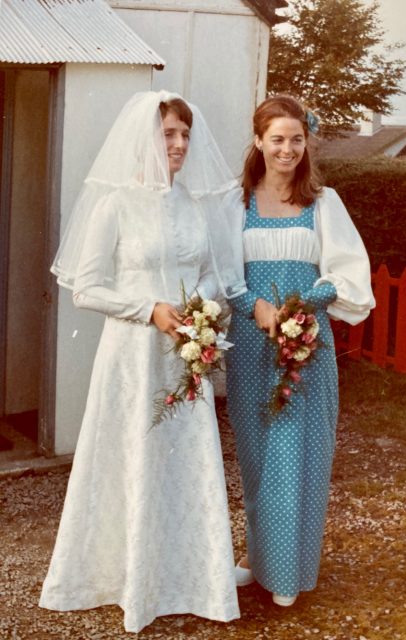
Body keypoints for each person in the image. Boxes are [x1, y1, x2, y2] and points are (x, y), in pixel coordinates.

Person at [39, 91, 240, 632]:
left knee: (183, 460)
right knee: (130, 456)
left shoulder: (193, 205)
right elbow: (86, 288)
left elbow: (208, 272)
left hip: (182, 357)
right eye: (167, 134)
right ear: (144, 139)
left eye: (184, 135)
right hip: (131, 357)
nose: (177, 145)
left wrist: (200, 307)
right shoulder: (116, 204)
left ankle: (190, 579)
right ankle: (122, 578)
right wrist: (147, 307)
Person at [222, 95, 375, 607]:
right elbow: (223, 275)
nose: (286, 149)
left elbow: (350, 272)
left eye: (296, 139)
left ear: (306, 143)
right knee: (257, 454)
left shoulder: (322, 202)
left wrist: (306, 303)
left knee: (297, 452)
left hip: (306, 344)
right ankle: (258, 558)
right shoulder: (234, 203)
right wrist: (258, 309)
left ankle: (287, 573)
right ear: (259, 141)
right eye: (277, 139)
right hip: (250, 343)